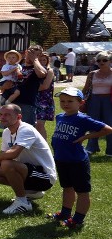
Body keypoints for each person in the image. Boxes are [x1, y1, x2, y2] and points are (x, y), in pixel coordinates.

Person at [48, 87, 112, 229]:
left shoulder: (82, 118)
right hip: (61, 159)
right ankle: (65, 213)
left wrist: (86, 136)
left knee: (82, 191)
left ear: (80, 103)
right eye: (62, 101)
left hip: (76, 161)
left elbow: (107, 129)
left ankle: (78, 219)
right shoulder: (60, 117)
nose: (65, 104)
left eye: (70, 101)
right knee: (67, 187)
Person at [0, 104, 56, 215]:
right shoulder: (6, 132)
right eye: (1, 114)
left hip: (45, 177)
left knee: (7, 164)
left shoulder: (26, 129)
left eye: (7, 115)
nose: (2, 117)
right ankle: (30, 192)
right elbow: (3, 155)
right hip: (28, 171)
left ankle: (22, 202)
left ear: (18, 117)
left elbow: (13, 153)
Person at [82, 51, 112, 156]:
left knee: (110, 124)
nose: (101, 62)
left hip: (109, 100)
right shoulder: (92, 74)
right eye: (99, 60)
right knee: (93, 124)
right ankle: (91, 147)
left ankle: (110, 150)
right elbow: (85, 89)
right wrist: (79, 99)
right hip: (94, 100)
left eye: (104, 60)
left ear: (110, 61)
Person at [8, 46, 47, 126]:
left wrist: (35, 59)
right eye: (31, 53)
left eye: (37, 55)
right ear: (26, 52)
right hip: (12, 103)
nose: (32, 56)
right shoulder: (19, 67)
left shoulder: (37, 68)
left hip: (27, 105)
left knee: (25, 133)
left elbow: (42, 74)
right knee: (9, 132)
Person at [33, 53, 56, 141]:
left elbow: (45, 86)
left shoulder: (49, 71)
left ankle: (44, 145)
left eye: (44, 60)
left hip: (44, 100)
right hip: (35, 99)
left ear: (47, 61)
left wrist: (29, 89)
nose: (42, 62)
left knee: (40, 124)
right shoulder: (35, 71)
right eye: (40, 60)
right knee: (34, 124)